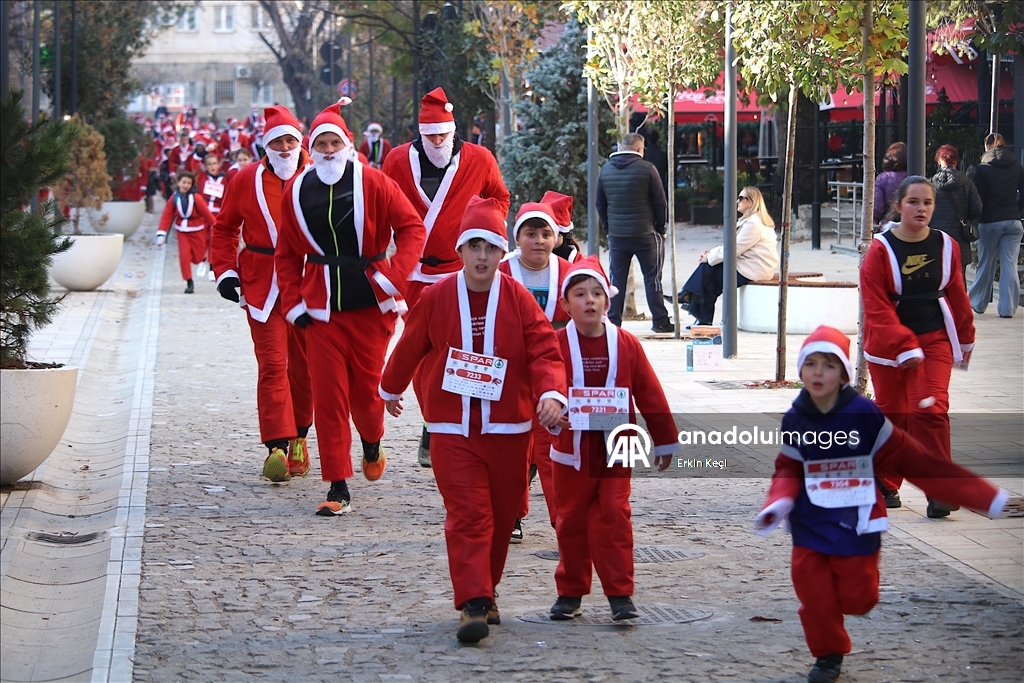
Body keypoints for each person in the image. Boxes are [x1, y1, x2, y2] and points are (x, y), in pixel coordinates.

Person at [754, 325, 1007, 683]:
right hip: (809, 526)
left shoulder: (865, 416)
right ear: (800, 371)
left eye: (827, 365)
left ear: (843, 372)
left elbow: (916, 461)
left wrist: (985, 497)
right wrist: (778, 503)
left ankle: (849, 605)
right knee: (815, 596)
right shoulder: (795, 418)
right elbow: (788, 467)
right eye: (810, 364)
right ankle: (827, 656)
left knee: (858, 599)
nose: (818, 372)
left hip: (857, 525)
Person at [379, 196, 567, 643]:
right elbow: (411, 345)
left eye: (491, 248)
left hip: (508, 428)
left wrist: (552, 393)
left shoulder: (518, 298)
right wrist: (390, 387)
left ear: (503, 253)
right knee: (468, 514)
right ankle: (472, 603)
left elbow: (544, 349)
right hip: (452, 429)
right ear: (460, 250)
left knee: (504, 516)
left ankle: (487, 588)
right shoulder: (438, 294)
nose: (483, 256)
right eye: (474, 246)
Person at [275, 102, 426, 517]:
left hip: (371, 305)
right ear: (312, 147)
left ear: (345, 144)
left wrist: (396, 275)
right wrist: (291, 305)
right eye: (320, 143)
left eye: (334, 141)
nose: (327, 149)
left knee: (366, 392)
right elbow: (287, 254)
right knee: (328, 396)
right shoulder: (297, 190)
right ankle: (337, 483)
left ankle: (373, 440)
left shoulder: (374, 182)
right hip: (320, 309)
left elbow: (413, 228)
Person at [382, 86, 511, 468]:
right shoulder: (396, 160)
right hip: (414, 273)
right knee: (422, 351)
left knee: (462, 347)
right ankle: (433, 419)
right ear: (418, 135)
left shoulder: (479, 158)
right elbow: (381, 202)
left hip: (461, 272)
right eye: (429, 136)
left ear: (454, 131)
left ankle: (455, 423)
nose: (437, 141)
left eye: (442, 134)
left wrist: (481, 226)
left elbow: (500, 199)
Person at [547, 255, 677, 623]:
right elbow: (542, 386)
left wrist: (665, 439)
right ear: (565, 303)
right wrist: (547, 414)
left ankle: (620, 594)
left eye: (596, 293)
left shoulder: (627, 343)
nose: (589, 300)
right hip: (571, 452)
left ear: (608, 300)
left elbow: (650, 393)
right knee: (569, 521)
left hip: (617, 449)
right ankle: (570, 591)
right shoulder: (555, 343)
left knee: (615, 517)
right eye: (579, 293)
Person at [210, 105, 316, 484]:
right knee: (272, 365)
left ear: (300, 141)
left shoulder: (320, 175)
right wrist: (225, 272)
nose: (285, 147)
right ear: (265, 145)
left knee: (304, 370)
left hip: (308, 284)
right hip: (261, 284)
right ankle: (276, 445)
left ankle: (301, 436)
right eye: (276, 141)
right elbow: (224, 229)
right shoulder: (244, 179)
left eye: (290, 139)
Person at [860, 175, 975, 515]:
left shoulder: (946, 245)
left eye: (928, 202)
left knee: (931, 407)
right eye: (914, 202)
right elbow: (876, 307)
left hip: (934, 338)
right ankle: (884, 481)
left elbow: (956, 291)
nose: (921, 208)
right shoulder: (879, 250)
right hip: (886, 346)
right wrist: (903, 344)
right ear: (898, 206)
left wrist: (965, 336)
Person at [499, 201, 573, 542]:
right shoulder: (499, 270)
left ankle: (565, 522)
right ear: (518, 238)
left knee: (554, 451)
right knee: (512, 450)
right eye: (531, 233)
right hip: (509, 375)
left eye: (546, 233)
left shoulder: (569, 272)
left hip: (553, 376)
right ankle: (511, 514)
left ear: (556, 237)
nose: (540, 240)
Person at [596, 132, 673, 333]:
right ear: (640, 149)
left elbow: (599, 203)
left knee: (617, 279)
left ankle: (613, 323)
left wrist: (608, 228)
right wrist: (661, 228)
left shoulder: (605, 171)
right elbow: (660, 202)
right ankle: (660, 321)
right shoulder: (647, 169)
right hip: (646, 234)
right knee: (652, 278)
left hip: (618, 236)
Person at [675, 186, 779, 327]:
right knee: (710, 279)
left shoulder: (753, 224)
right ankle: (698, 312)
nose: (737, 201)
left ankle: (688, 295)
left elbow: (733, 248)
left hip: (753, 269)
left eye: (741, 198)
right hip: (750, 266)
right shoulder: (750, 221)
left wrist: (710, 256)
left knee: (709, 269)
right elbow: (732, 246)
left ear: (751, 201)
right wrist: (710, 255)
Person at [968, 133, 1024, 319]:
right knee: (1009, 264)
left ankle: (978, 304)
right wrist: (1016, 209)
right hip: (1013, 221)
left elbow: (978, 198)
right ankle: (1007, 309)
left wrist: (976, 216)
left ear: (988, 147)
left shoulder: (983, 169)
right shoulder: (1017, 166)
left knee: (985, 263)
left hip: (990, 220)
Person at [930, 144, 982, 285]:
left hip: (936, 238)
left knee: (938, 279)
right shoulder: (967, 183)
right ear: (956, 161)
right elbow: (977, 208)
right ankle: (958, 307)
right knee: (959, 280)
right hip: (959, 238)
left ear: (939, 160)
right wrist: (965, 218)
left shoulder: (931, 183)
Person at [156, 171, 216, 294]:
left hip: (197, 229)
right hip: (182, 230)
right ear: (178, 183)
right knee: (184, 256)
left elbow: (207, 215)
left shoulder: (196, 198)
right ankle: (189, 281)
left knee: (198, 257)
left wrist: (218, 229)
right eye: (183, 182)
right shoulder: (174, 198)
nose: (186, 185)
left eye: (189, 183)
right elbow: (167, 215)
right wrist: (161, 234)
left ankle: (203, 258)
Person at [195, 153, 227, 281]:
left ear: (218, 164)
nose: (212, 166)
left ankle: (212, 267)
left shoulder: (224, 179)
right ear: (205, 166)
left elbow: (226, 197)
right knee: (203, 238)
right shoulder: (202, 177)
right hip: (204, 213)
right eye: (209, 164)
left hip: (217, 213)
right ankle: (202, 260)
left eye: (214, 163)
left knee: (214, 240)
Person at [542, 190, 583, 263]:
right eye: (532, 234)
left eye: (546, 235)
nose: (540, 240)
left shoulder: (577, 262)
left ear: (561, 235)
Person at [873, 142, 907, 225]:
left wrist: (876, 220)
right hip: (910, 223)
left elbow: (878, 207)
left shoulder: (882, 178)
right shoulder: (915, 175)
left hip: (889, 223)